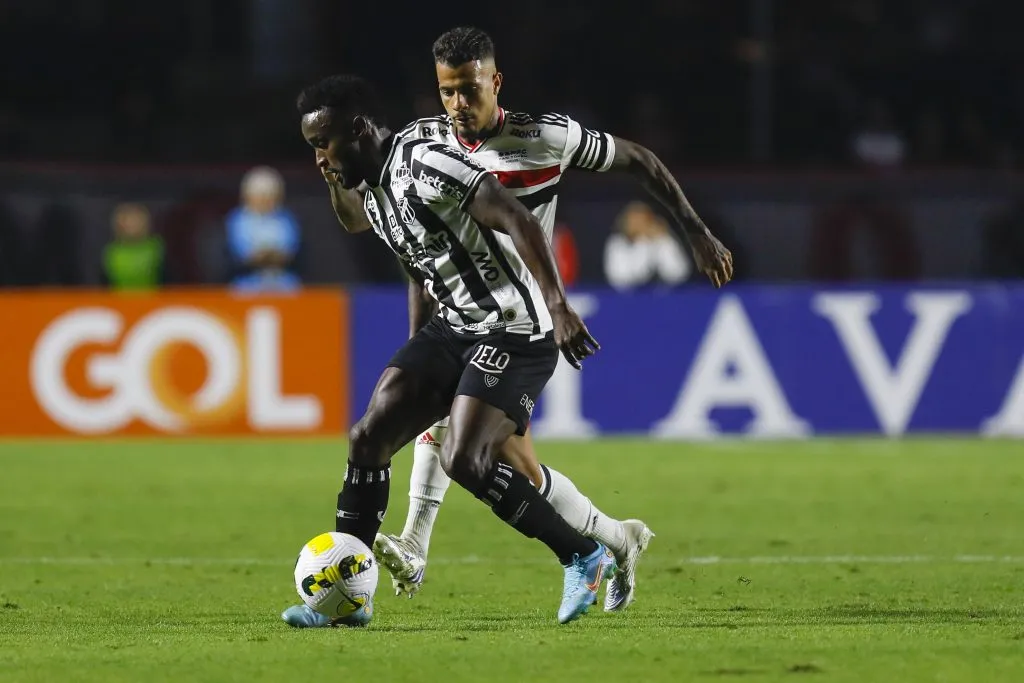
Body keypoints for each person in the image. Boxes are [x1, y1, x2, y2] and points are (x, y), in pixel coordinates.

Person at [370, 26, 733, 611]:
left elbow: (639, 160)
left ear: (496, 81)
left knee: (467, 448)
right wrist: (421, 344)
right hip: (464, 319)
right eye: (446, 93)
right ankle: (618, 538)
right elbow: (421, 255)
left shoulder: (544, 136)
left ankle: (418, 545)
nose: (458, 106)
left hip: (522, 321)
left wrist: (694, 230)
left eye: (469, 90)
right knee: (516, 468)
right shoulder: (426, 146)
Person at [285, 73, 616, 627]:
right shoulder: (372, 184)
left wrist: (558, 307)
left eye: (325, 143)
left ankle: (584, 554)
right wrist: (332, 172)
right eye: (312, 146)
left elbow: (514, 215)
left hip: (514, 326)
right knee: (368, 437)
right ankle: (350, 595)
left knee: (465, 458)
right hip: (455, 327)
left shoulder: (424, 161)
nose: (319, 156)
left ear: (361, 129)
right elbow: (354, 219)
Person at [224, 166, 303, 292]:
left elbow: (291, 251)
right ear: (248, 195)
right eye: (260, 195)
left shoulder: (286, 219)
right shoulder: (237, 219)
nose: (265, 199)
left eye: (270, 195)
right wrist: (263, 256)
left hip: (283, 281)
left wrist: (271, 256)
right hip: (246, 282)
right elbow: (240, 254)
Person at [100, 202, 167, 290]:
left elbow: (167, 280)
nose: (132, 225)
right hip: (118, 301)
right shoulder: (111, 252)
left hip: (153, 301)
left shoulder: (156, 248)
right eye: (127, 220)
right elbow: (103, 284)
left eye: (135, 220)